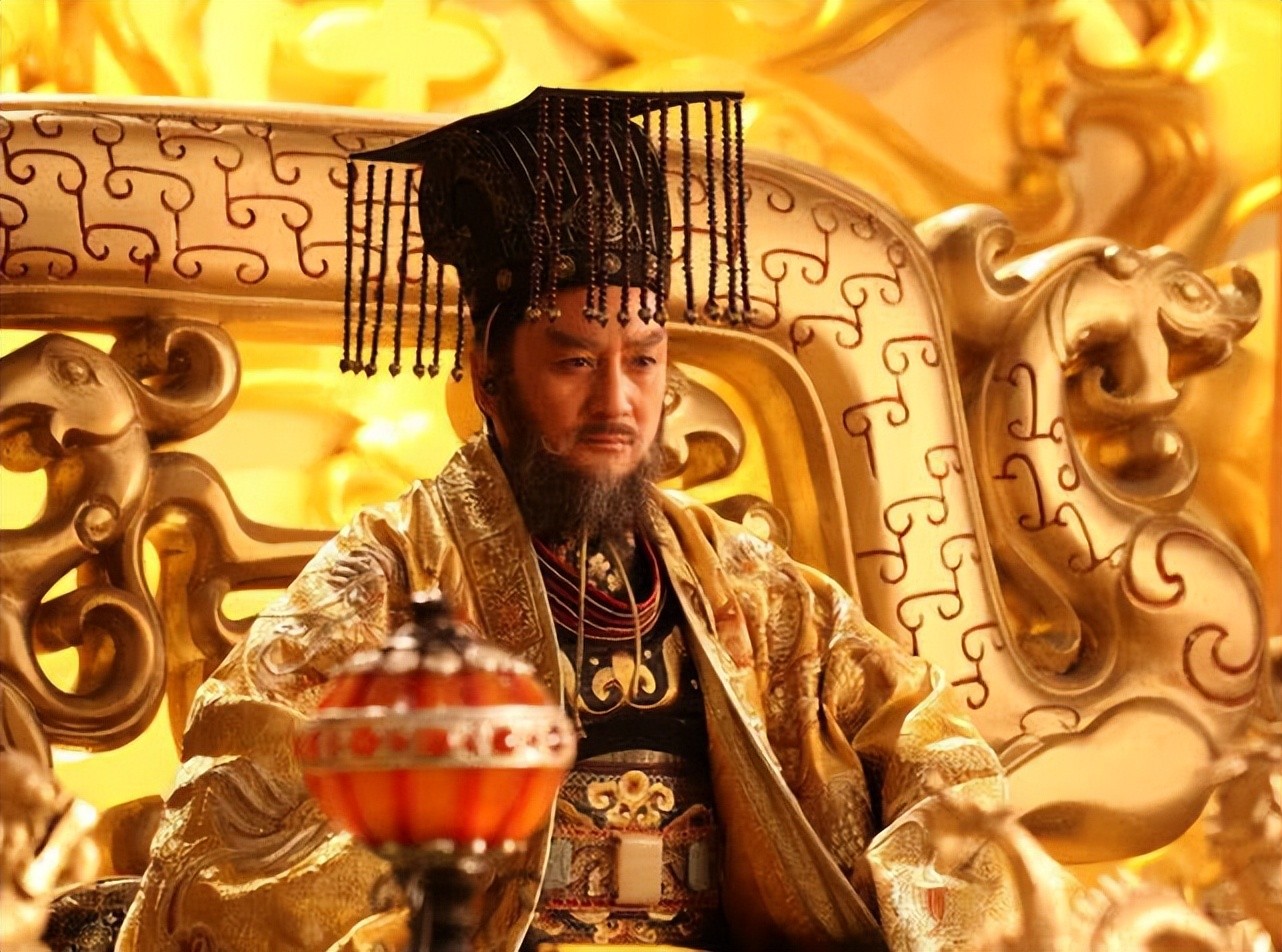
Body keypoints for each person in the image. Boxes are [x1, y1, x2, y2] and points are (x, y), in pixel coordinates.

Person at [118, 88, 1018, 952]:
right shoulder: (384, 577)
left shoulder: (752, 586)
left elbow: (932, 747)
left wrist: (934, 918)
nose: (617, 404)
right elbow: (237, 824)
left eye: (644, 360)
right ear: (488, 372)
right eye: (576, 362)